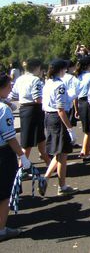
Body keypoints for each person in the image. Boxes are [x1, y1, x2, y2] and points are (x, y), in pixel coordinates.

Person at [0, 73, 32, 242]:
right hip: (2, 153)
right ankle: (1, 229)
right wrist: (22, 155)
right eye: (8, 85)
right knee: (4, 194)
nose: (11, 87)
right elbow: (10, 137)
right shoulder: (3, 109)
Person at [40, 59, 78, 196]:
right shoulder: (59, 85)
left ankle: (45, 178)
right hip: (58, 118)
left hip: (49, 117)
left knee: (58, 152)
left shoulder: (47, 83)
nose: (66, 71)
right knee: (62, 154)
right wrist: (70, 129)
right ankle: (61, 186)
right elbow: (61, 109)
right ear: (61, 69)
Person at [8, 58, 50, 165]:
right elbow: (37, 98)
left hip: (24, 109)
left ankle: (49, 163)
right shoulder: (36, 80)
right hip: (34, 110)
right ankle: (21, 168)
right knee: (28, 142)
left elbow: (13, 95)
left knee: (39, 138)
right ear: (37, 68)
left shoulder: (20, 79)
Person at [74, 56, 90, 161]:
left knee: (86, 129)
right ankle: (86, 152)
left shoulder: (78, 77)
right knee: (89, 130)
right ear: (89, 65)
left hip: (80, 102)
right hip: (88, 102)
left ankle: (84, 150)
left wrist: (76, 109)